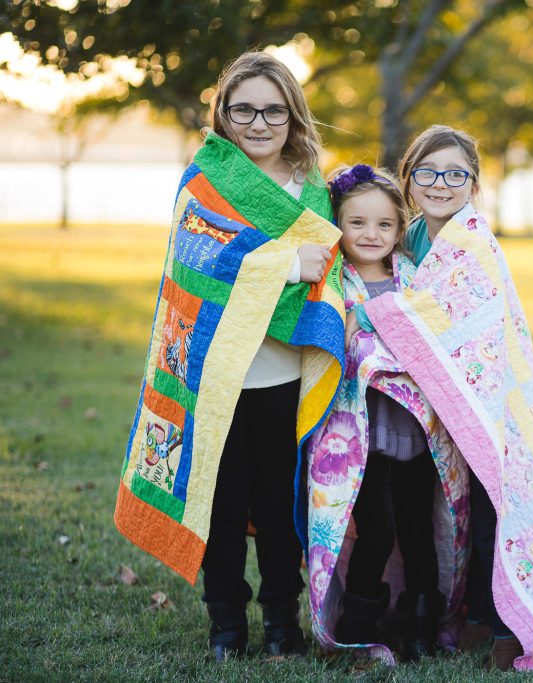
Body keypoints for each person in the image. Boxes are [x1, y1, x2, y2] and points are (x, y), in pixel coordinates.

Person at [360, 125, 533, 672]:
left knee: (494, 516)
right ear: (409, 177)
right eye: (428, 172)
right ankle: (444, 612)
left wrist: (379, 318)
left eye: (455, 174)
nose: (441, 184)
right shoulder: (405, 237)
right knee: (440, 516)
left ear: (473, 183)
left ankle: (506, 628)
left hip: (495, 405)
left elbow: (450, 322)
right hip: (431, 409)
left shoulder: (475, 242)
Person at [114, 51, 347, 663]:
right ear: (223, 115)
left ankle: (281, 623)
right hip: (213, 375)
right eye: (243, 108)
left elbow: (331, 271)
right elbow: (197, 259)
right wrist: (283, 264)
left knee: (277, 508)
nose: (259, 121)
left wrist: (303, 270)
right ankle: (225, 625)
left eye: (273, 109)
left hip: (284, 375)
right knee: (219, 507)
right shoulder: (205, 180)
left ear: (293, 116)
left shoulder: (311, 188)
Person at [327, 164, 444, 660]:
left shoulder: (413, 280)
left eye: (383, 224)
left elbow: (433, 339)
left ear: (400, 228)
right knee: (374, 529)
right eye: (357, 223)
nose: (370, 234)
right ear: (338, 224)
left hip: (414, 431)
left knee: (419, 528)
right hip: (358, 437)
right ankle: (357, 626)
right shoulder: (334, 282)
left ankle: (420, 626)